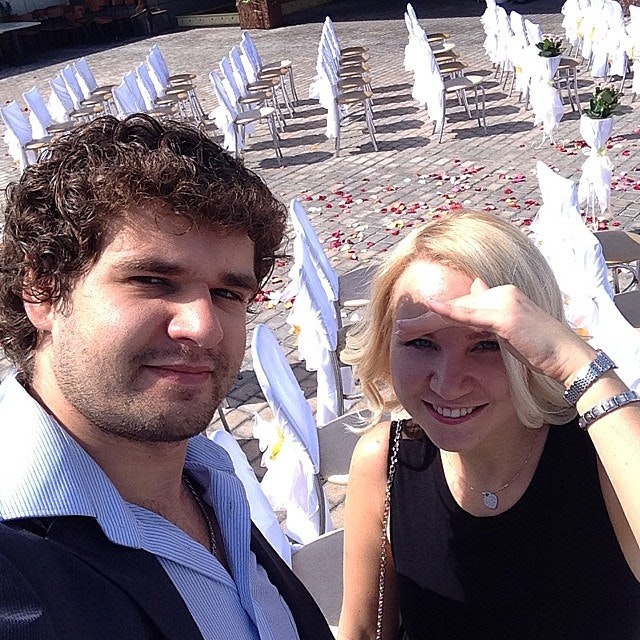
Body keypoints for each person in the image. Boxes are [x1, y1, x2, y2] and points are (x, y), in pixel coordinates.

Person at [0, 114, 333, 640]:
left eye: (227, 293)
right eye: (153, 280)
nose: (203, 327)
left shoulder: (207, 477)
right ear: (41, 290)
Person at [337, 210, 640, 640]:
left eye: (486, 345)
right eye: (421, 342)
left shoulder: (604, 455)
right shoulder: (384, 460)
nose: (448, 383)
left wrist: (576, 363)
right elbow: (363, 630)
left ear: (534, 346)